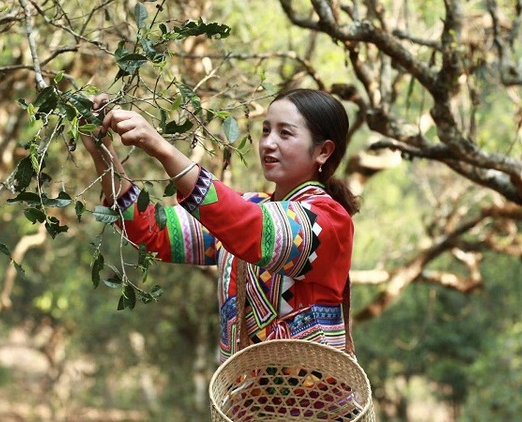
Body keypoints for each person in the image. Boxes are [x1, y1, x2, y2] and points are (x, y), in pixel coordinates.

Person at [81, 88, 360, 363]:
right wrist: (101, 151)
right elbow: (151, 231)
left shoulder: (328, 222)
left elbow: (250, 229)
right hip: (245, 407)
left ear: (323, 151)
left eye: (284, 133)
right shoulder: (246, 208)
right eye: (265, 130)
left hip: (317, 406)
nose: (268, 143)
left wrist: (163, 149)